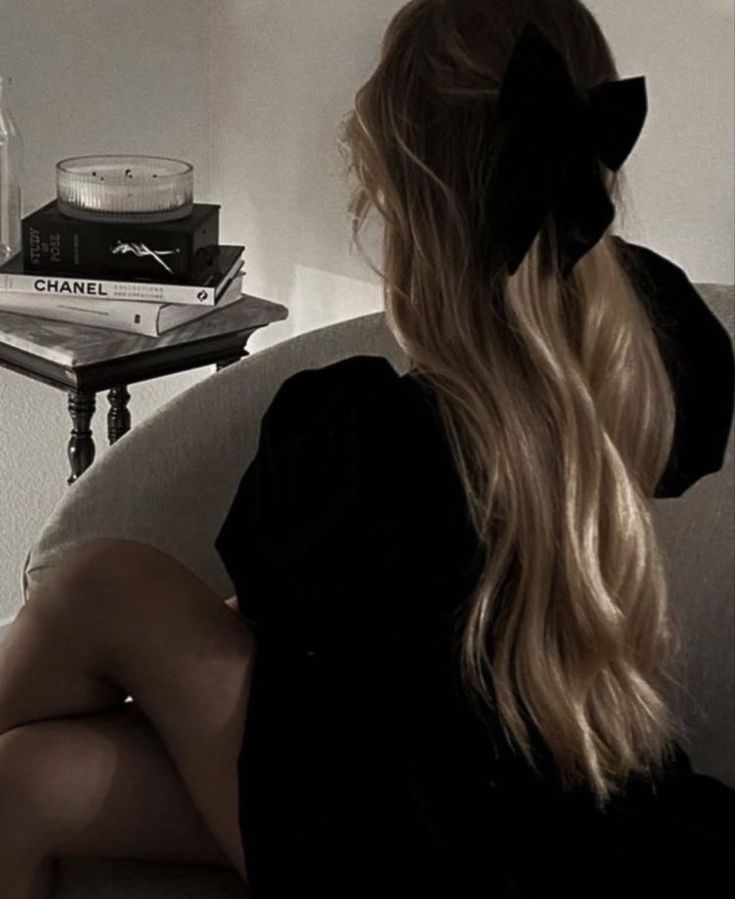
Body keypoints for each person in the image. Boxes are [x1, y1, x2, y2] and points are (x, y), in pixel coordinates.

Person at [0, 1, 733, 897]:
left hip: (413, 840)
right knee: (26, 779)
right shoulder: (658, 349)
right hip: (563, 812)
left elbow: (276, 633)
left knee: (102, 582)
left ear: (397, 190)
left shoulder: (362, 440)